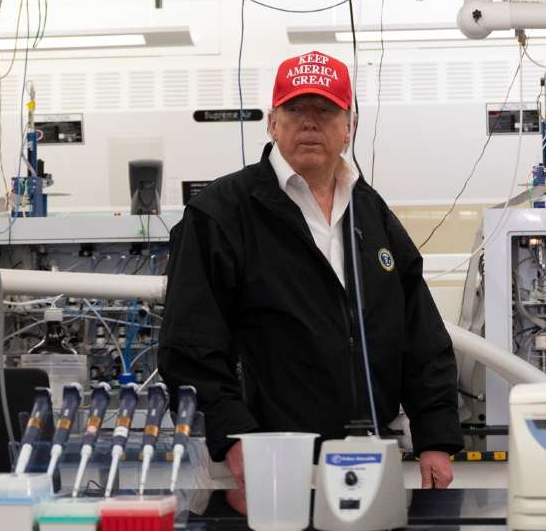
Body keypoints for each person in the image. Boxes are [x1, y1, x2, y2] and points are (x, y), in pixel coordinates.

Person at [159, 50, 462, 501]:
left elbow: (419, 331)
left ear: (349, 125)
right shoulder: (222, 214)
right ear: (272, 122)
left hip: (368, 459)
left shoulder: (369, 212)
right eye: (295, 109)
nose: (309, 122)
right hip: (269, 464)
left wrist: (435, 435)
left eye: (325, 111)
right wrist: (234, 435)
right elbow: (189, 344)